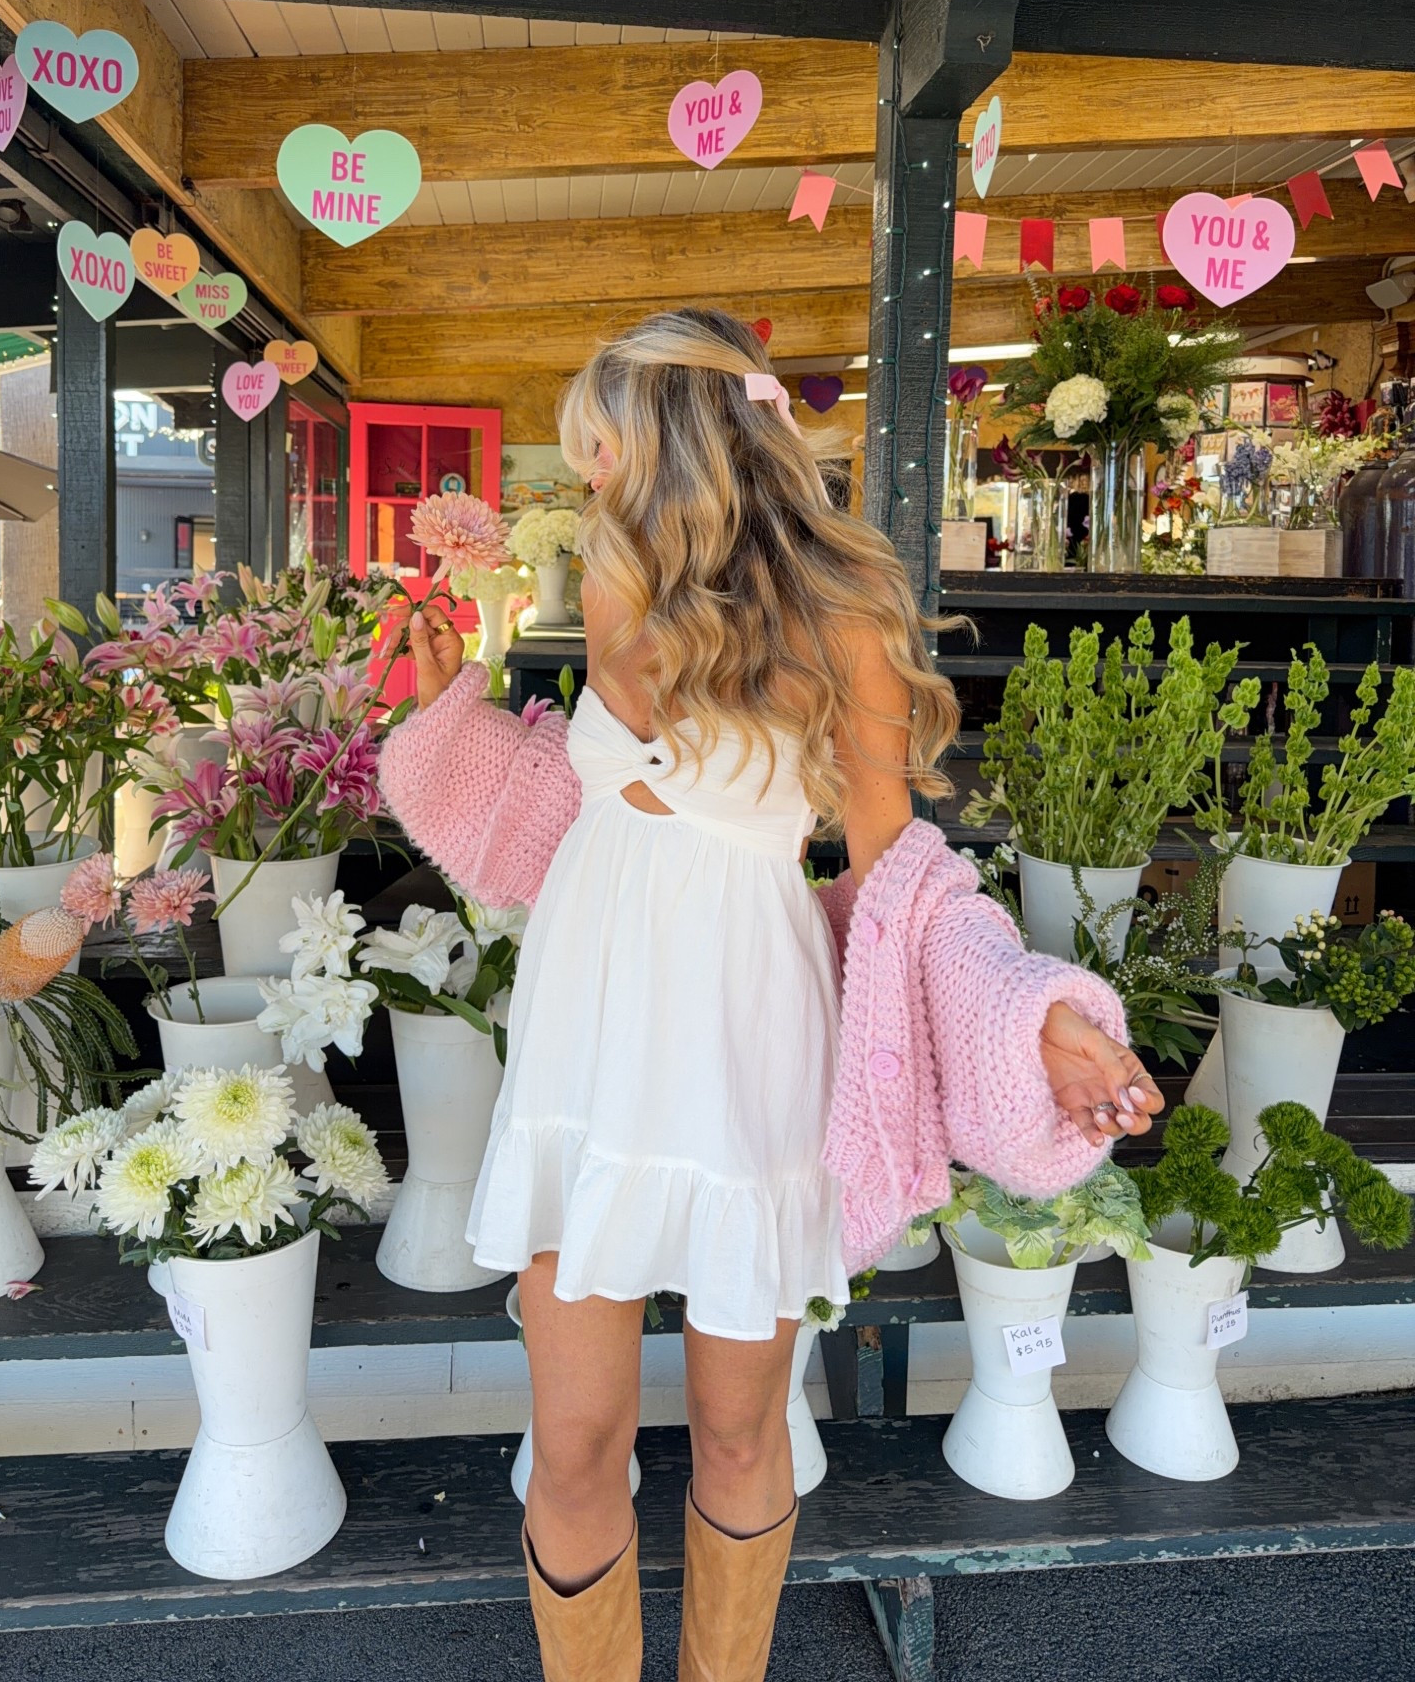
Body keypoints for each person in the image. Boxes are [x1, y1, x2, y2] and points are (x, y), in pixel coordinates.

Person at [378, 307, 1160, 1682]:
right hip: (587, 1033)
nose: (588, 478)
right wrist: (457, 711)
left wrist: (1031, 1007)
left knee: (744, 1434)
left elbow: (901, 871)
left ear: (670, 437)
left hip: (746, 1031)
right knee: (572, 1445)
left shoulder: (842, 612)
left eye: (598, 446)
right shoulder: (612, 580)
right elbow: (586, 811)